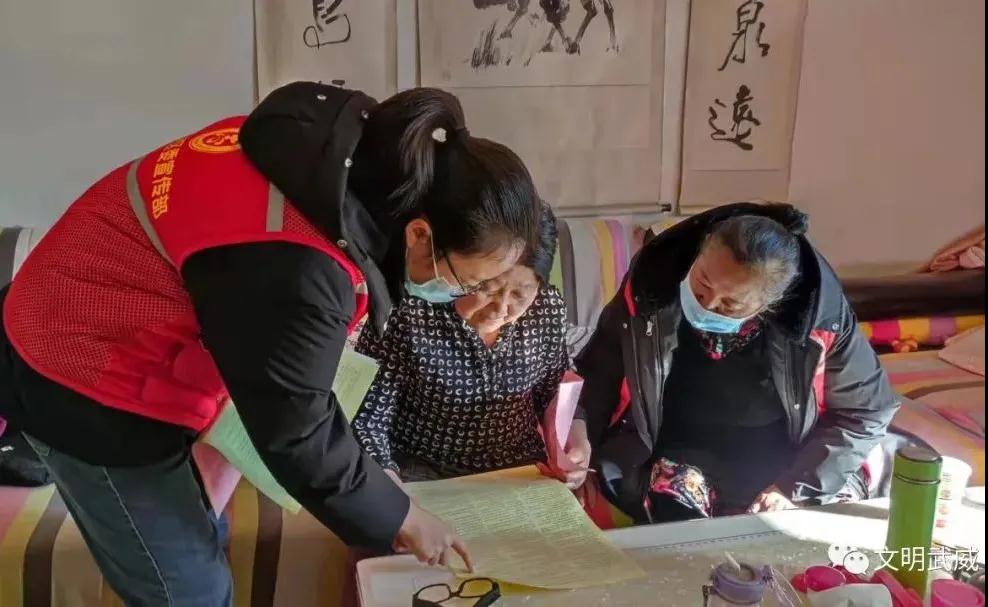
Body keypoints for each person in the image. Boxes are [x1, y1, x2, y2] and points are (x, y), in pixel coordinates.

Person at [0, 82, 543, 605]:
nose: (459, 296)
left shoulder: (325, 151)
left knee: (201, 549)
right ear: (419, 234)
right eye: (464, 282)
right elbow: (298, 430)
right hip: (78, 370)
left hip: (99, 316)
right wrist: (402, 516)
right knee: (189, 593)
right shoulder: (300, 265)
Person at [576, 203, 900, 523]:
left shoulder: (819, 320)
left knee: (813, 529)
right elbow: (599, 374)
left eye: (730, 304)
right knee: (679, 528)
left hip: (789, 456)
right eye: (702, 284)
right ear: (698, 254)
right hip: (682, 451)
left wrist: (793, 489)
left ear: (771, 303)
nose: (708, 305)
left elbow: (866, 412)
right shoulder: (652, 288)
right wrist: (580, 447)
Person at [352, 205, 591, 489]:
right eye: (487, 289)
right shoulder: (408, 307)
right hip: (423, 471)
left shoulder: (546, 307)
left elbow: (555, 390)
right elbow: (367, 417)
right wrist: (389, 483)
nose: (499, 309)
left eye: (519, 294)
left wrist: (577, 440)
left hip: (519, 468)